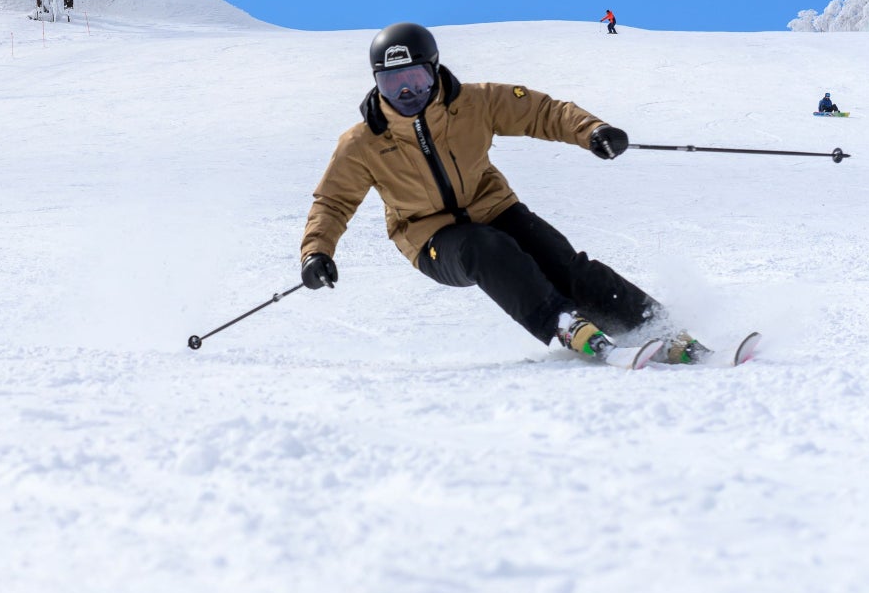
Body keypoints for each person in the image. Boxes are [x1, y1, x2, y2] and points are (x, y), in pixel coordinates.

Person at [300, 22, 704, 364]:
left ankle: (659, 329)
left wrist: (592, 131)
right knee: (486, 248)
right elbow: (333, 202)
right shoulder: (362, 142)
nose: (407, 94)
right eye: (393, 84)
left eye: (416, 79)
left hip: (495, 207)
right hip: (431, 239)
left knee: (564, 264)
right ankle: (562, 324)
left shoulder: (475, 102)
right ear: (377, 85)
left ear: (435, 71)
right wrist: (317, 252)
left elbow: (543, 112)